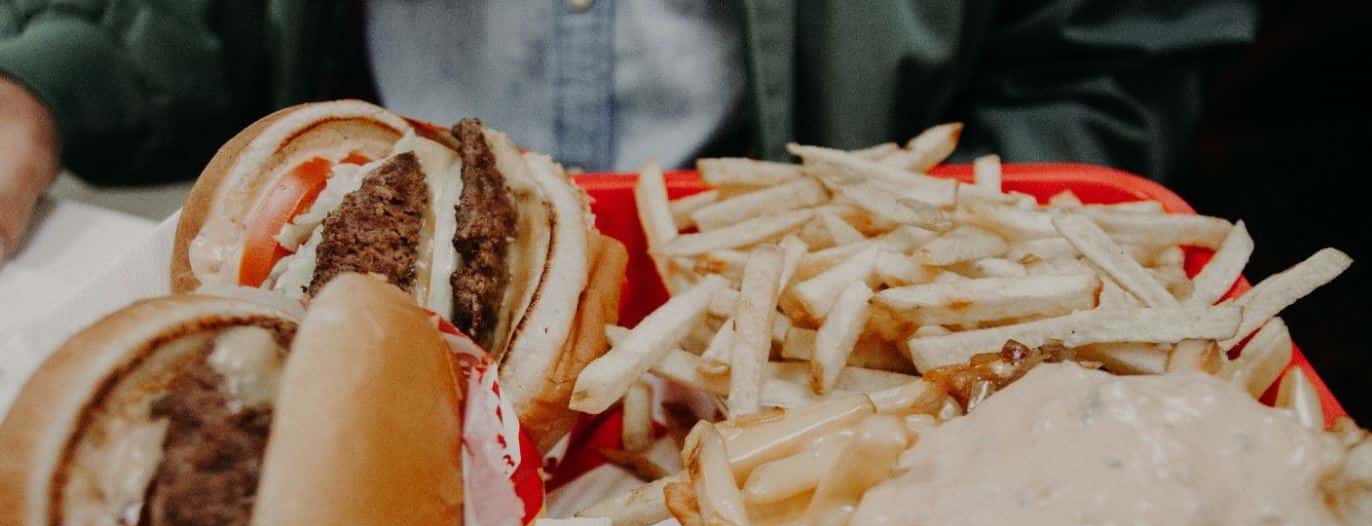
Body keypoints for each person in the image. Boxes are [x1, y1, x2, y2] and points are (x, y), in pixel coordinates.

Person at [0, 1, 1258, 263]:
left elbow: (1113, 36)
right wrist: (41, 77)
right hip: (371, 250)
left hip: (808, 276)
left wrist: (971, 245)